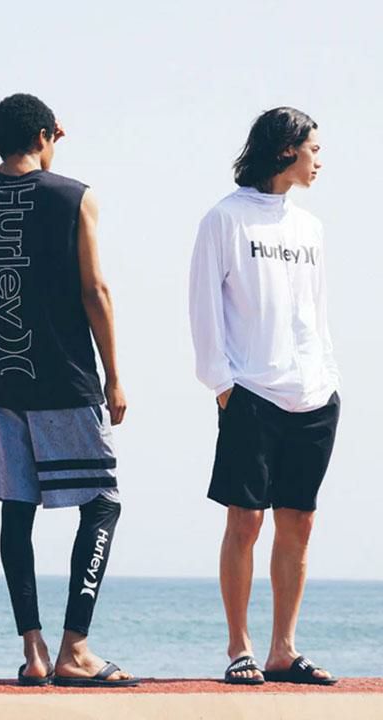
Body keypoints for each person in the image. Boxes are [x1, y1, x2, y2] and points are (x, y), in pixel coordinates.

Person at [0, 93, 136, 687]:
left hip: (5, 376)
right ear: (43, 135)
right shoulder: (74, 196)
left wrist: (36, 138)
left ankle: (33, 651)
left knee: (18, 508)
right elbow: (94, 290)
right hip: (66, 374)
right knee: (102, 504)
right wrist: (114, 374)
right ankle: (74, 649)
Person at [189, 107, 341, 686]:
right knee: (246, 520)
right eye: (313, 150)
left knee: (298, 522)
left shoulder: (310, 228)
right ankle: (240, 647)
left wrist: (328, 376)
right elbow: (204, 306)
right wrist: (222, 385)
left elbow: (317, 313)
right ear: (285, 151)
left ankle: (283, 649)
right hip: (250, 391)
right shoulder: (224, 219)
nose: (319, 160)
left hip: (314, 395)